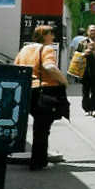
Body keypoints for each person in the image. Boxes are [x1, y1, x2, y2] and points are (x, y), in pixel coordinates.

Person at [14, 24, 69, 170]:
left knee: (32, 126)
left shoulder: (25, 49)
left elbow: (16, 67)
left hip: (27, 91)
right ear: (44, 35)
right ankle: (38, 161)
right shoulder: (46, 49)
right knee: (42, 128)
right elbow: (49, 66)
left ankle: (36, 158)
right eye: (51, 34)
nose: (53, 37)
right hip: (44, 91)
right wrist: (63, 80)